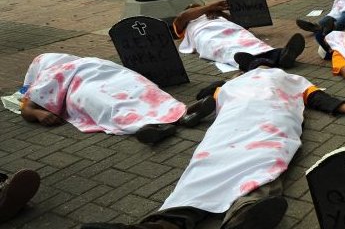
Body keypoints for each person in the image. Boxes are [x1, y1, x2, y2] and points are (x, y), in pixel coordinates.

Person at [79, 67, 345, 229]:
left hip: (271, 119)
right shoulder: (228, 86)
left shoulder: (293, 80)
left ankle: (241, 215)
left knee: (264, 159)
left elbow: (321, 98)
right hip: (231, 124)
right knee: (208, 161)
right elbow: (198, 109)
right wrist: (172, 121)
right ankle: (163, 227)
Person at [18, 53, 215, 145]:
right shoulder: (49, 73)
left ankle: (174, 119)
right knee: (119, 98)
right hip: (86, 85)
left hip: (100, 76)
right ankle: (175, 118)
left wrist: (36, 112)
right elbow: (27, 108)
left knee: (137, 90)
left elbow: (25, 107)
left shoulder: (84, 62)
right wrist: (38, 113)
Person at [174, 0, 306, 72]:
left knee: (251, 42)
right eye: (193, 9)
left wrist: (220, 13)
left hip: (231, 30)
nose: (196, 10)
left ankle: (281, 55)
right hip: (207, 35)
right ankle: (258, 62)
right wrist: (208, 7)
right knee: (226, 48)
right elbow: (183, 16)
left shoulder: (215, 15)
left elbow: (242, 25)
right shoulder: (185, 23)